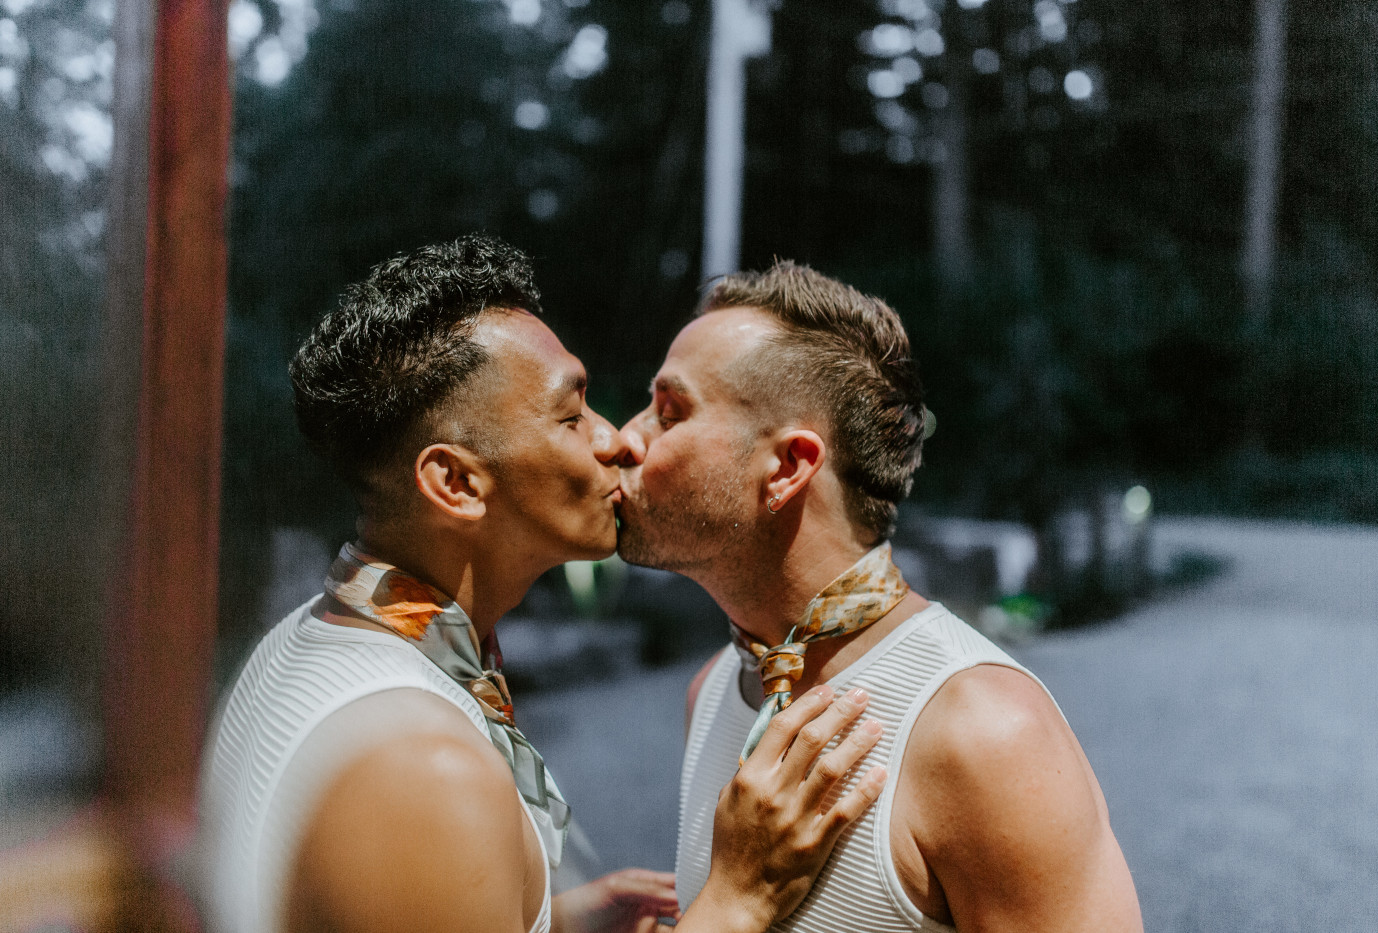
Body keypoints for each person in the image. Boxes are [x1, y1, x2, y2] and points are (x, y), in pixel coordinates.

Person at [199, 235, 888, 933]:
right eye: (571, 417)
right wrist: (739, 896)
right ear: (457, 482)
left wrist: (548, 918)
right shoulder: (427, 773)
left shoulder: (302, 641)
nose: (615, 440)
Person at [615, 261, 1143, 932]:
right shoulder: (715, 690)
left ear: (787, 466)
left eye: (669, 412)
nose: (623, 437)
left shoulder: (987, 735)